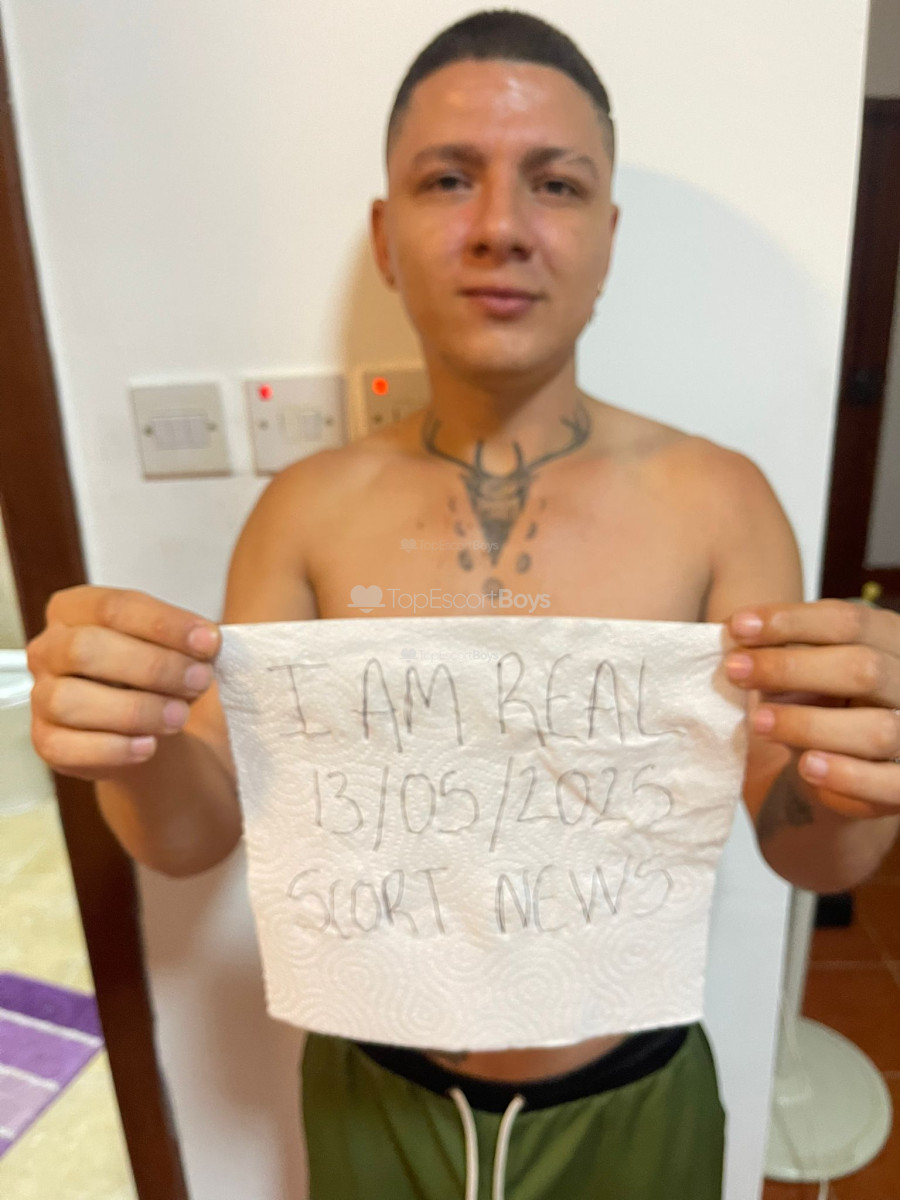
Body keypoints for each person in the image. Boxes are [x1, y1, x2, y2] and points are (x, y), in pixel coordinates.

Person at [26, 10, 900, 1199]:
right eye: (448, 179)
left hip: (635, 1097)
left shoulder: (719, 504)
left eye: (556, 183)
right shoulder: (305, 512)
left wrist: (859, 782)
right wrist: (129, 746)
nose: (500, 226)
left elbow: (802, 845)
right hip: (373, 1092)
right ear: (386, 239)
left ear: (607, 237)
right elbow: (198, 833)